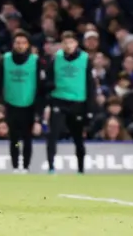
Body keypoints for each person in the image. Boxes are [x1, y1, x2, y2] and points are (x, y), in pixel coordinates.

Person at [0, 30, 42, 173]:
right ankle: (14, 166)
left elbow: (40, 87)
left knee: (27, 137)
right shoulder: (4, 59)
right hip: (11, 104)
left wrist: (39, 113)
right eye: (17, 42)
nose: (20, 46)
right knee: (14, 137)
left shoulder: (35, 61)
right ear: (13, 44)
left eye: (23, 43)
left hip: (29, 104)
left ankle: (25, 166)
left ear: (28, 45)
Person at [45, 31, 94, 174]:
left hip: (78, 102)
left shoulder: (85, 59)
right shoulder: (56, 58)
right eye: (65, 42)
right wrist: (50, 88)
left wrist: (90, 107)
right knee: (53, 134)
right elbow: (48, 79)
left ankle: (80, 169)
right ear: (61, 44)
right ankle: (51, 167)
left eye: (71, 42)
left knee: (78, 137)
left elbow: (90, 84)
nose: (68, 45)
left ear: (76, 43)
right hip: (59, 100)